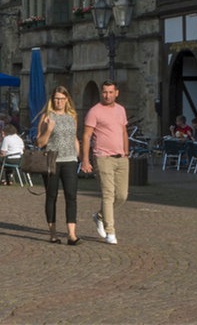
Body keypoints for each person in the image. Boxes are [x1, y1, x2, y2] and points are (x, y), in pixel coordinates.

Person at [82, 80, 129, 246]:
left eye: (110, 92)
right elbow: (86, 136)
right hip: (102, 157)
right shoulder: (94, 111)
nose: (107, 95)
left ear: (116, 93)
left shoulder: (121, 110)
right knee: (108, 194)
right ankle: (111, 231)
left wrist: (126, 152)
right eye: (104, 92)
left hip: (121, 157)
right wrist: (85, 160)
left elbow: (123, 131)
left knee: (122, 196)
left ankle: (99, 216)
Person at [35, 86, 82, 245]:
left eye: (62, 99)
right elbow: (40, 142)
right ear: (52, 99)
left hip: (70, 160)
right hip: (52, 161)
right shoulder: (46, 116)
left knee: (71, 196)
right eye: (56, 98)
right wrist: (48, 130)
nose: (59, 102)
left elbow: (74, 137)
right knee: (52, 196)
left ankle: (72, 234)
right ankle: (53, 234)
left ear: (67, 99)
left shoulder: (72, 116)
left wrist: (79, 156)